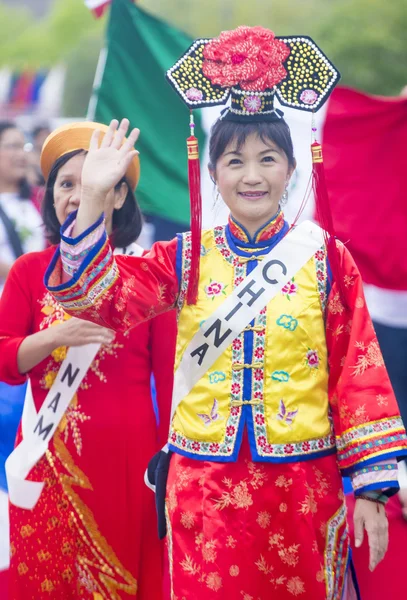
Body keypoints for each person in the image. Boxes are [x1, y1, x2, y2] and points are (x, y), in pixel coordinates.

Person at [44, 28, 407, 599]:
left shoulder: (326, 259)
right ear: (212, 173)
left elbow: (358, 372)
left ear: (291, 169)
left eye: (268, 158)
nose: (252, 175)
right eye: (234, 161)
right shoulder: (185, 257)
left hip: (301, 490)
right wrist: (92, 199)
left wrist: (372, 491)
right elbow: (96, 299)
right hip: (204, 496)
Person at [0, 121, 176, 599]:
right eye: (66, 184)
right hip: (46, 453)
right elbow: (4, 357)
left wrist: (170, 464)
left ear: (118, 196)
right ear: (50, 199)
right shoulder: (29, 272)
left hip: (128, 460)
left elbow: (170, 375)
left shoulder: (147, 274)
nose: (78, 194)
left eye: (93, 182)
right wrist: (53, 335)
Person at [0, 121, 44, 294]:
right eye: (13, 146)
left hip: (36, 302)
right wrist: (25, 276)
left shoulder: (41, 198)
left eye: (25, 146)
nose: (22, 154)